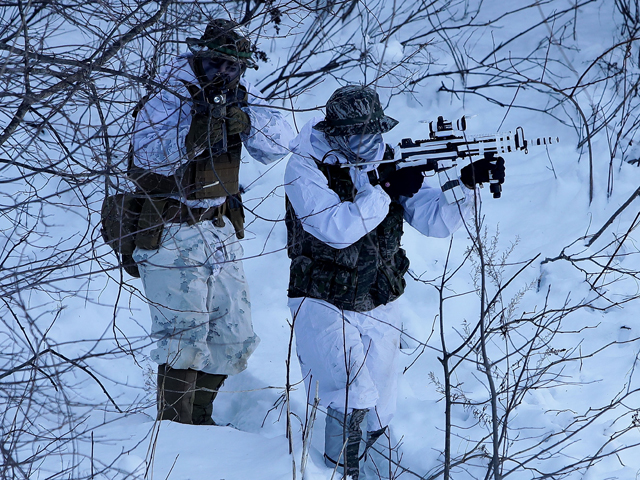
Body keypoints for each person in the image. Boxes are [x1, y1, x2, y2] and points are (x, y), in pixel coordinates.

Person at [284, 85, 505, 478]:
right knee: (349, 392)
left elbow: (433, 220)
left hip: (381, 297)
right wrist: (384, 191)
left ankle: (373, 472)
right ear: (334, 131)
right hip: (322, 300)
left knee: (381, 407)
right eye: (357, 133)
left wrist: (465, 185)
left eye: (373, 132)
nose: (368, 142)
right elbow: (336, 228)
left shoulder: (387, 159)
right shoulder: (305, 167)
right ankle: (335, 471)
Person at [129, 19, 294, 425]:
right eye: (215, 65)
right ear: (199, 60)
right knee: (181, 336)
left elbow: (282, 142)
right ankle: (175, 429)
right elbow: (149, 158)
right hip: (171, 225)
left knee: (233, 334)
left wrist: (247, 122)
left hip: (218, 227)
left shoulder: (240, 95)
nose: (223, 74)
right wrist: (194, 131)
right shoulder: (169, 95)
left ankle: (200, 419)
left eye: (232, 68)